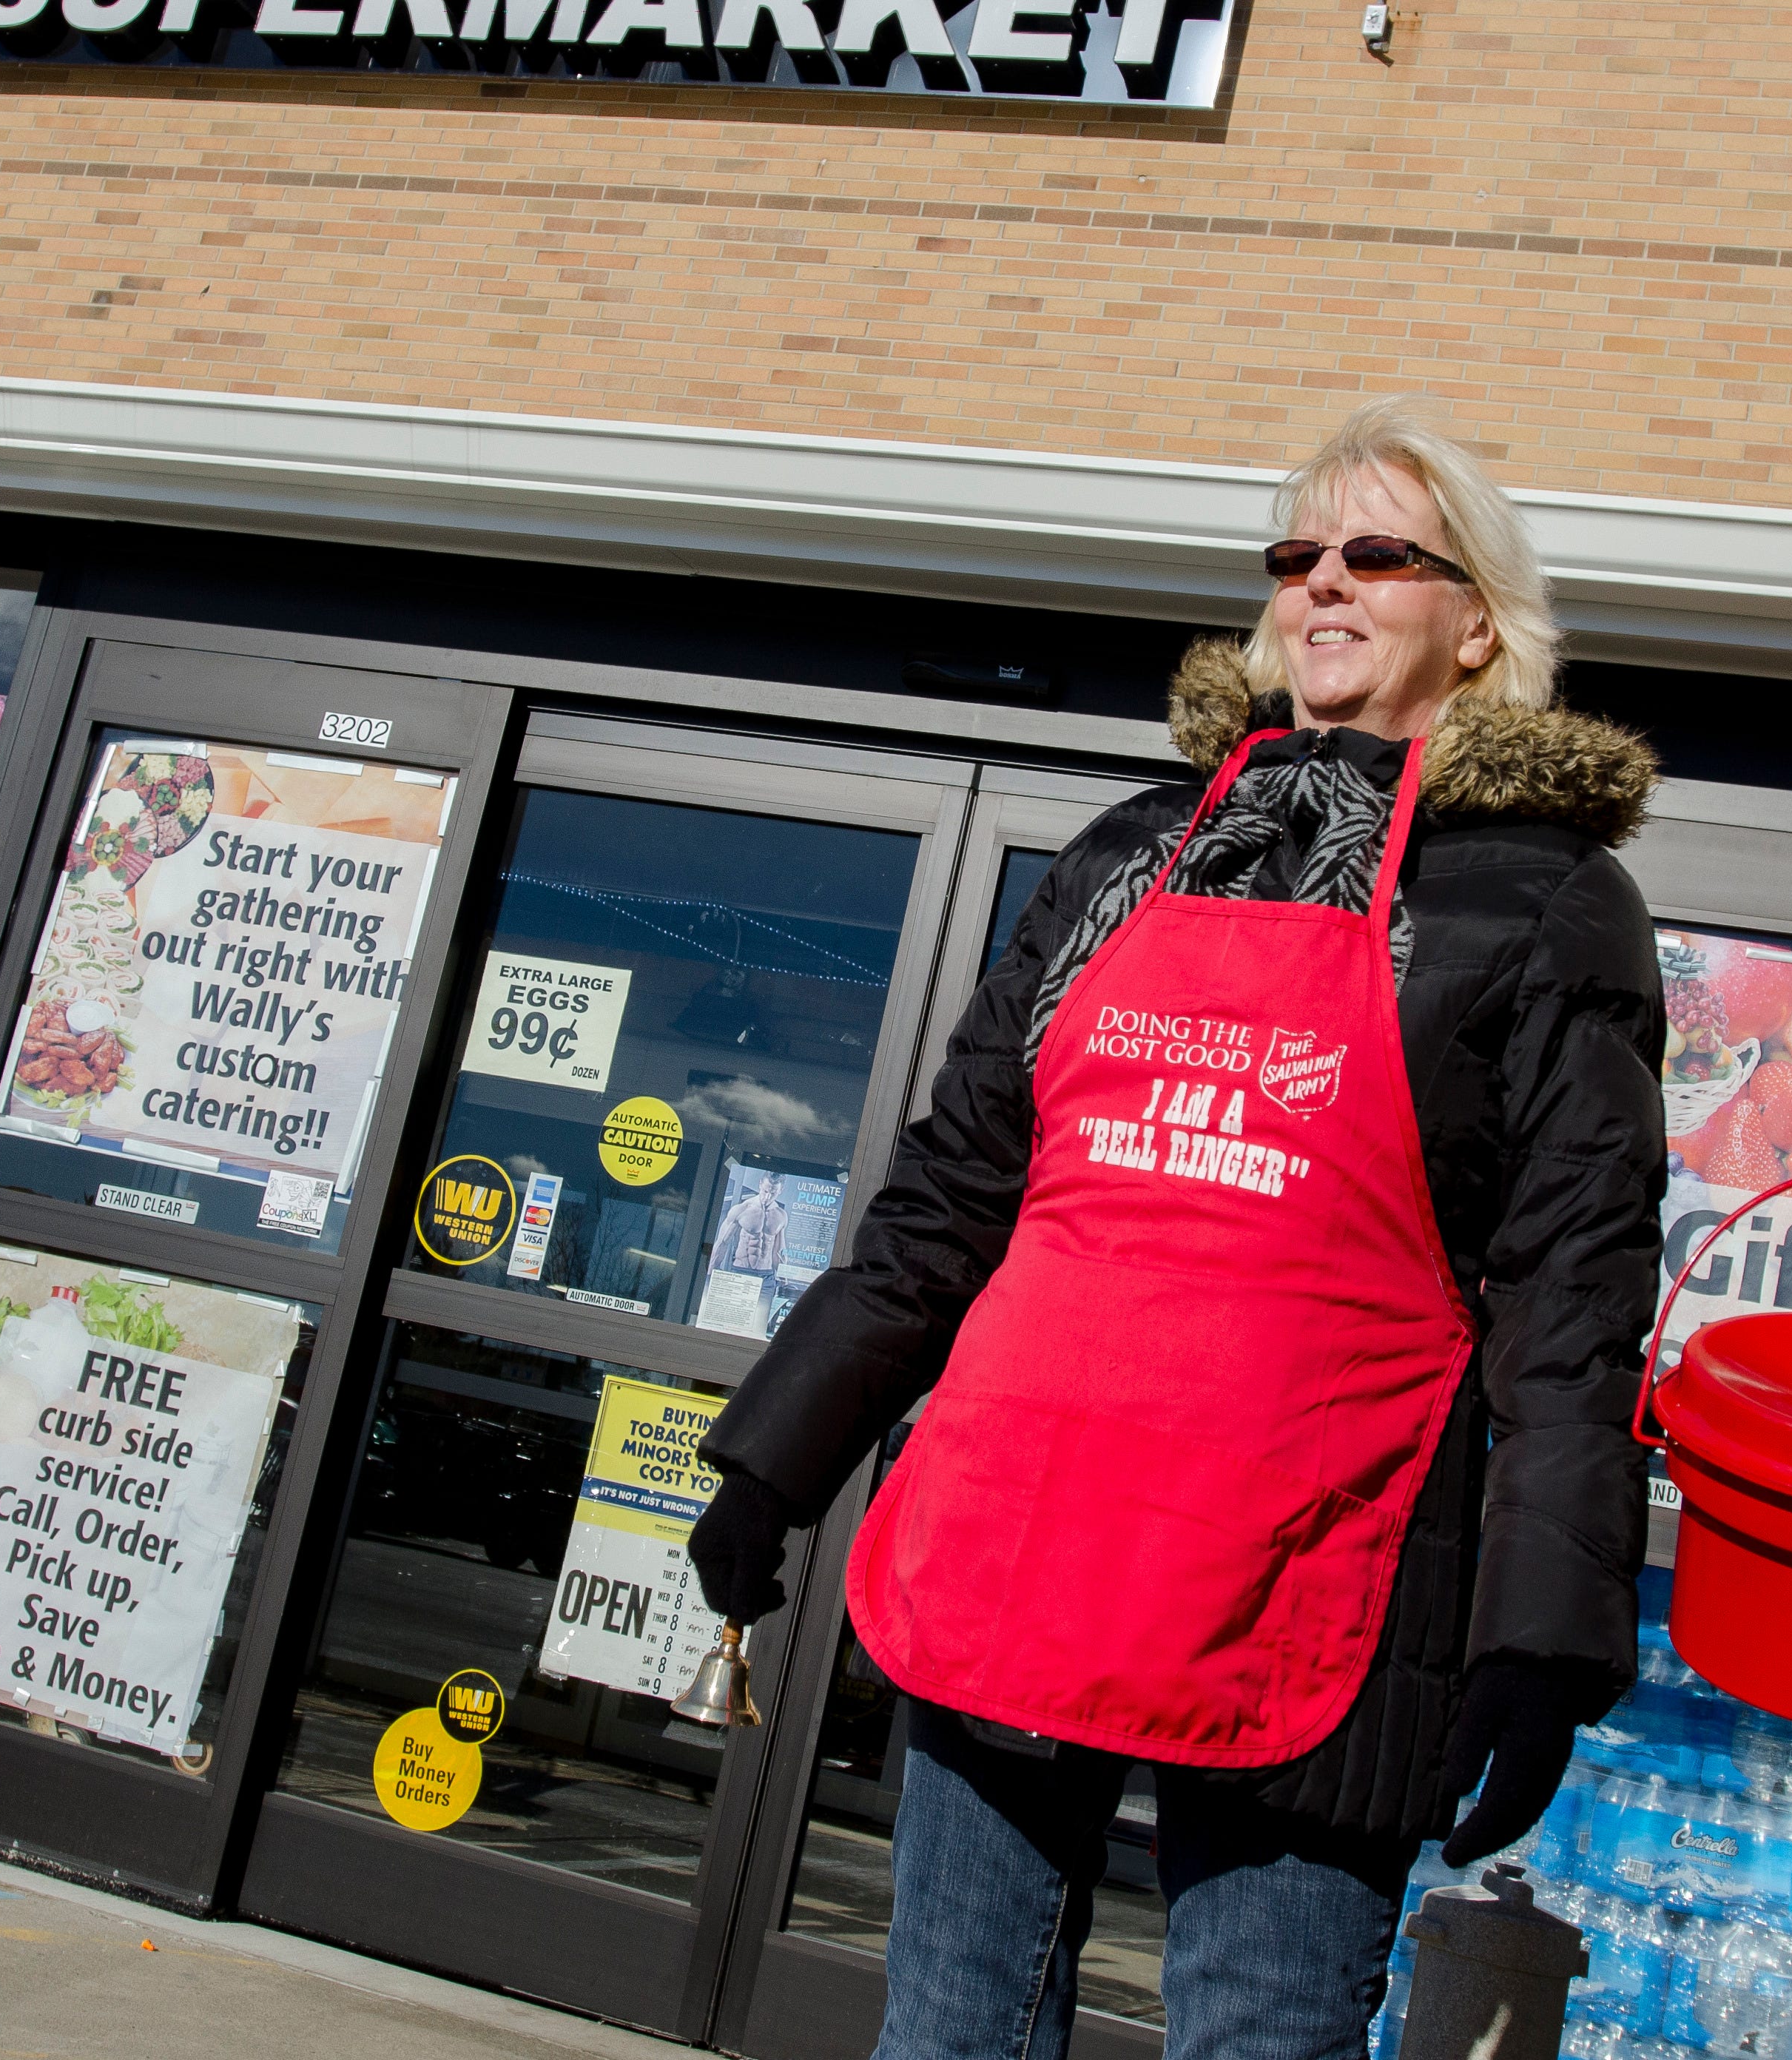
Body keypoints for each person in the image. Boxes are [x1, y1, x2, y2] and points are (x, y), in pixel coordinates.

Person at [686, 396, 1670, 2060]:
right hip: (1024, 1532)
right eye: (1297, 557)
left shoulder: (1542, 897)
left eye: (1378, 553)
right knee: (944, 2038)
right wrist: (772, 1459)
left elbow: (1570, 1301)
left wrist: (1543, 1634)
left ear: (1480, 620)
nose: (1325, 584)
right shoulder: (1132, 856)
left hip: (1314, 1583)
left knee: (1257, 2041)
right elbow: (950, 1200)